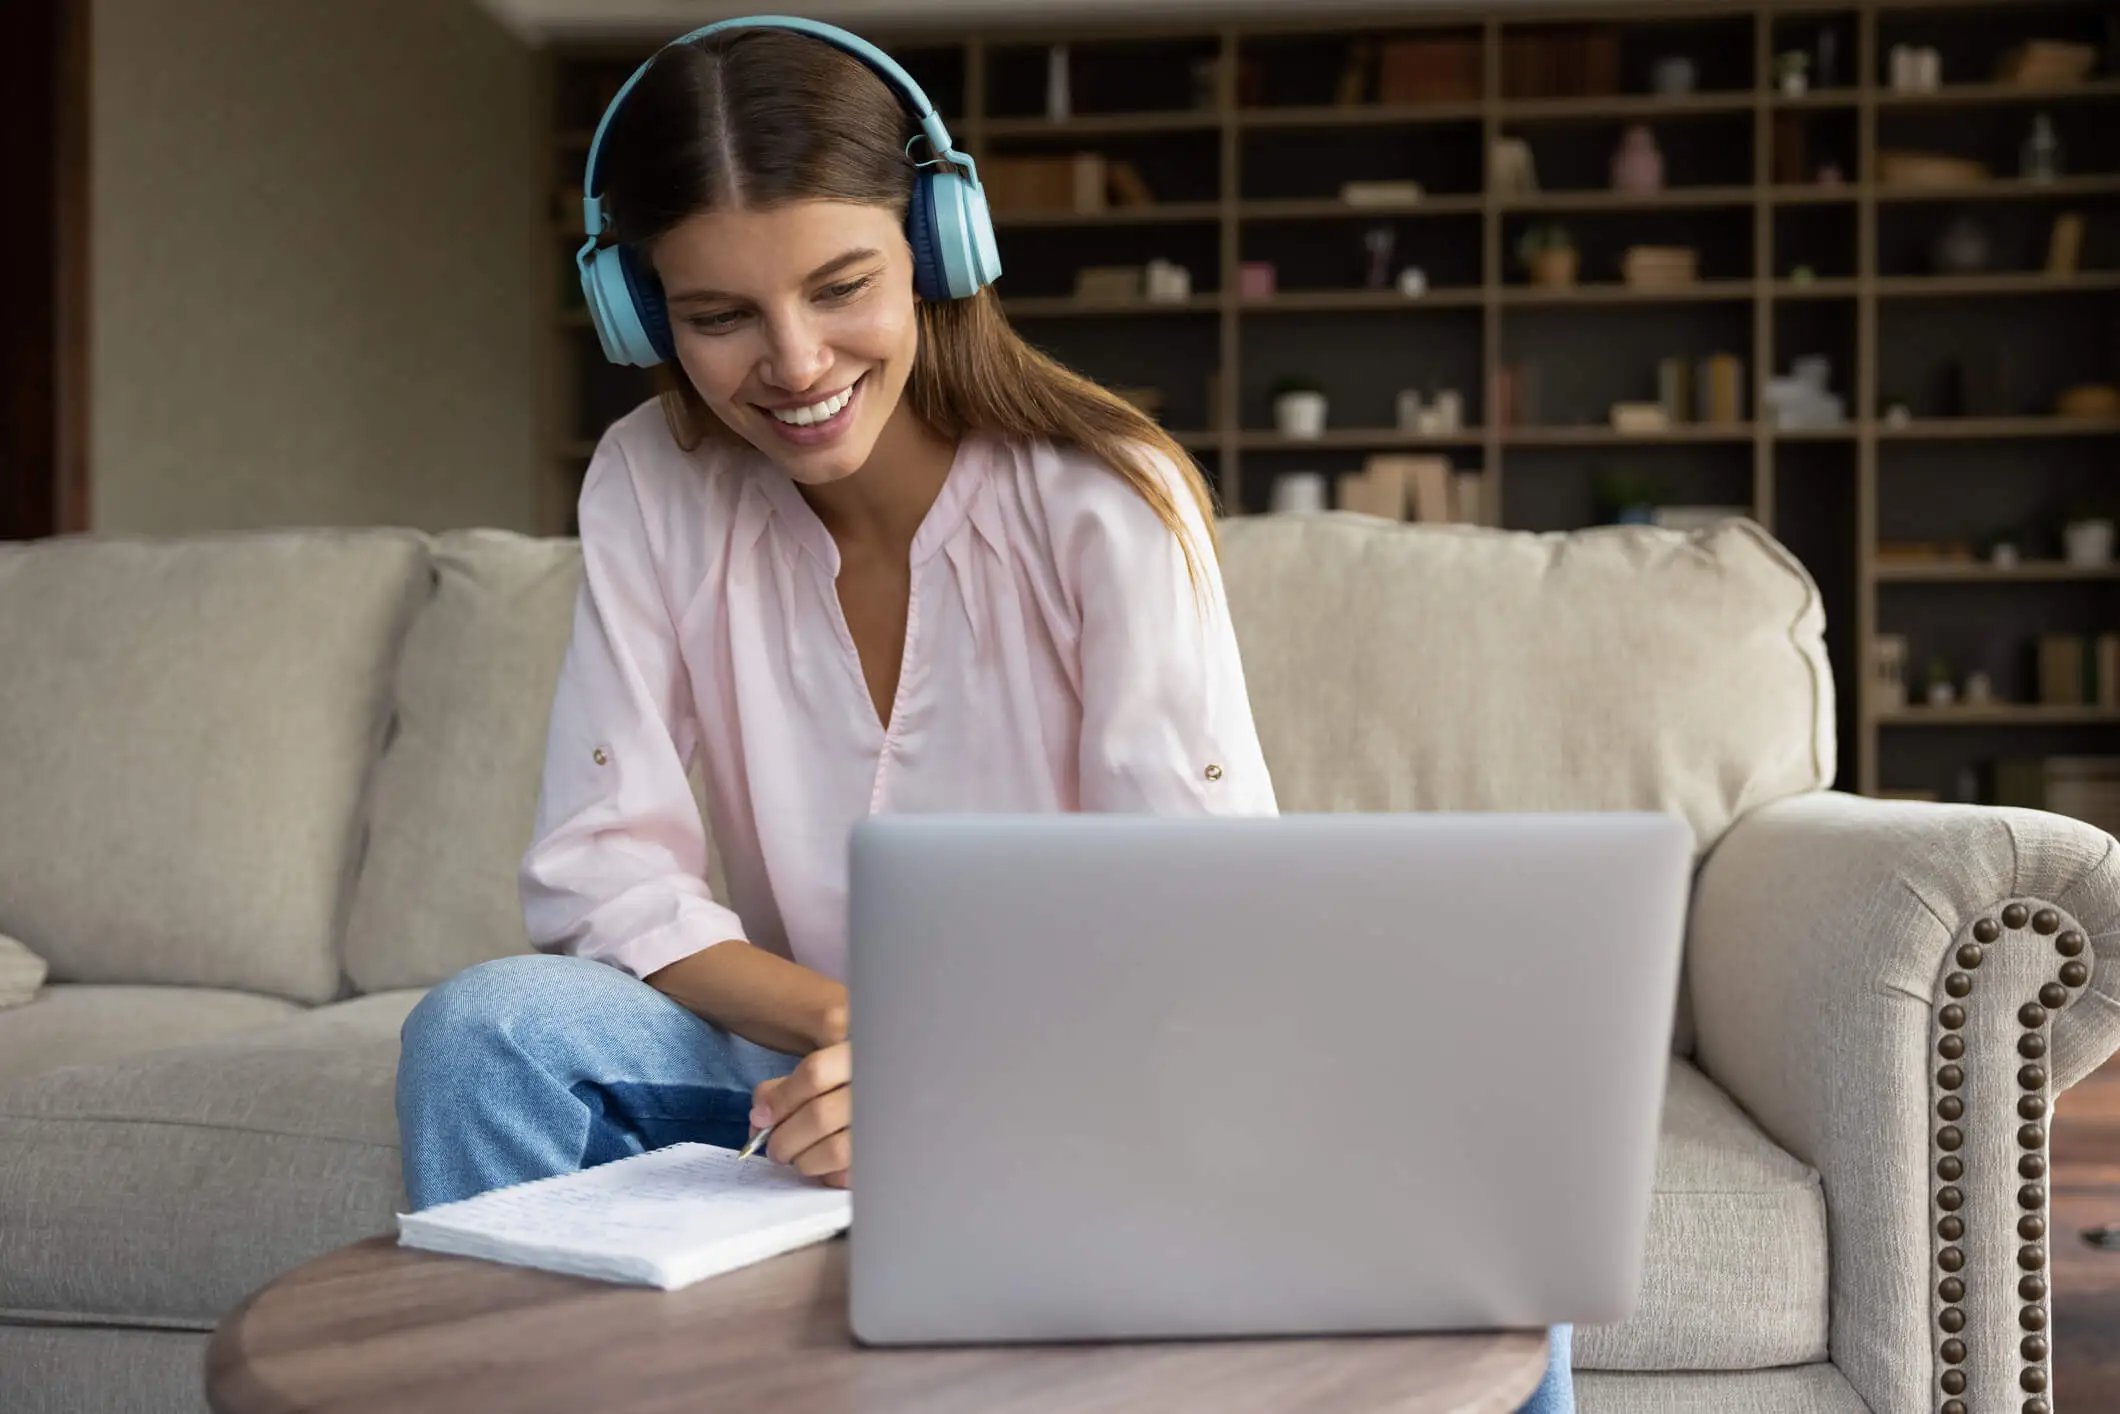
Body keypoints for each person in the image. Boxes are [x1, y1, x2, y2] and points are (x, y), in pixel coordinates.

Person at [392, 18, 1572, 1412]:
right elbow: (602, 872)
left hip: (1107, 1064)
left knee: (1486, 1213)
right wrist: (874, 1045)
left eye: (843, 286)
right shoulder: (652, 481)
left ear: (941, 249)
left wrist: (953, 1076)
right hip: (813, 1067)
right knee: (487, 1034)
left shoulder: (1105, 499)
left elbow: (1205, 918)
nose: (792, 361)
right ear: (644, 313)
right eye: (718, 315)